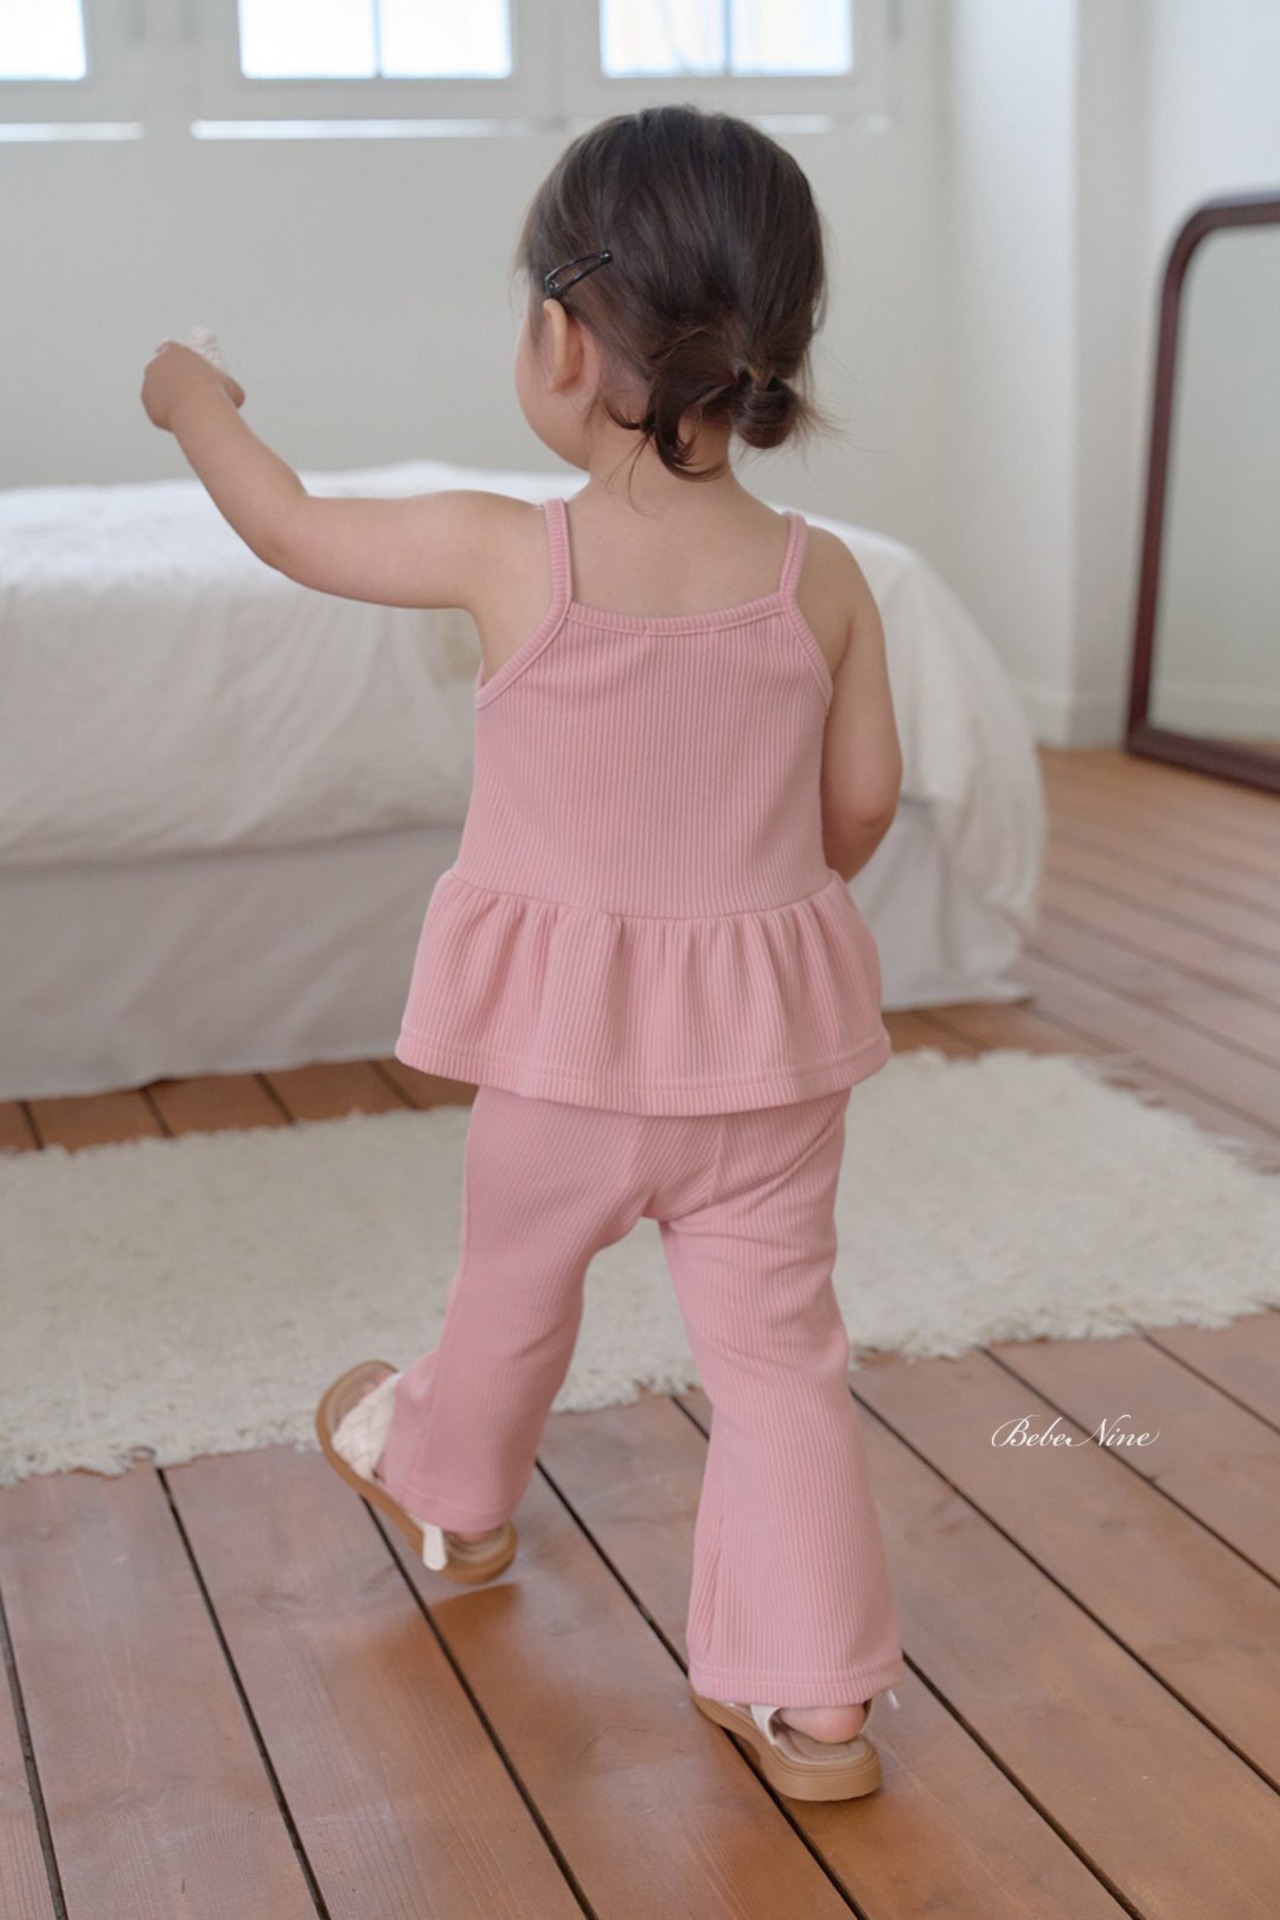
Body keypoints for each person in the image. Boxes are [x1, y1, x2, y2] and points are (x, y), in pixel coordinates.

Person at [141, 102, 906, 1804]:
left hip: (568, 1071)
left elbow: (288, 527)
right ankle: (819, 1707)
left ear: (563, 341)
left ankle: (456, 1497)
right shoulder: (825, 577)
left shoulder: (509, 550)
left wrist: (195, 401)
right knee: (782, 1364)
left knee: (509, 1300)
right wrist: (754, 909)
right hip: (769, 1071)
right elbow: (861, 803)